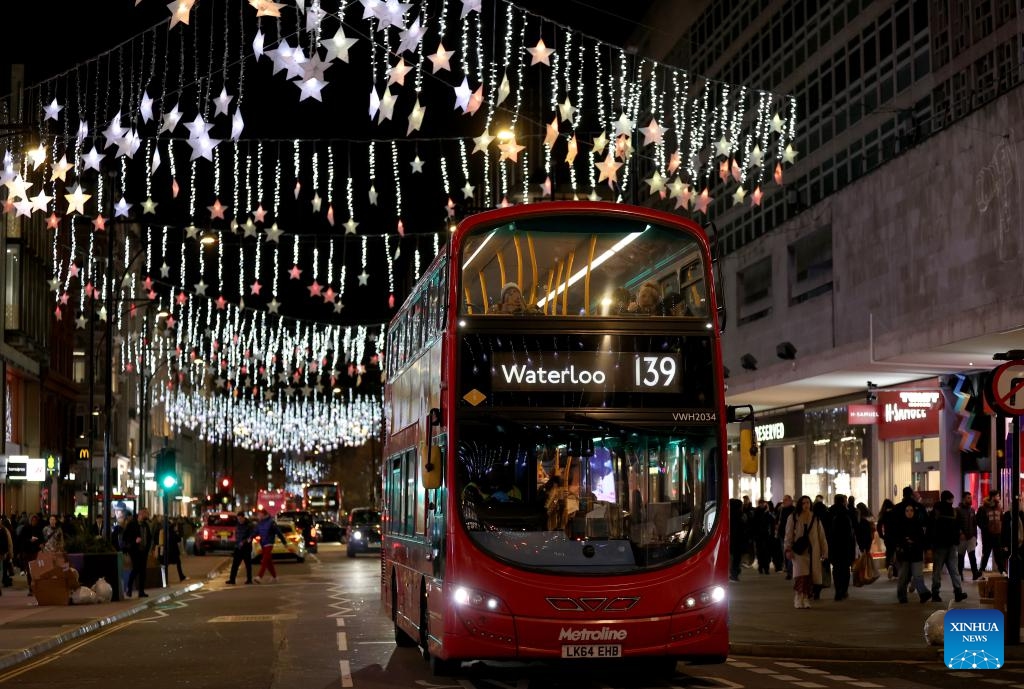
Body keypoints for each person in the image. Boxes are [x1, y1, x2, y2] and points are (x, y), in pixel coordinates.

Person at [784, 495, 828, 609]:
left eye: (808, 503)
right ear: (800, 504)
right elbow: (788, 535)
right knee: (800, 576)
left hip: (813, 551)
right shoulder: (793, 517)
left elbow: (821, 536)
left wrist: (824, 551)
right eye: (803, 503)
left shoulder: (815, 517)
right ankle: (798, 597)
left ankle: (806, 598)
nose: (806, 505)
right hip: (798, 551)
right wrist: (788, 549)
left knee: (809, 576)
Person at [929, 489, 968, 603]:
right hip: (950, 545)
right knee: (953, 569)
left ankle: (935, 593)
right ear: (948, 499)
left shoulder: (936, 512)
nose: (952, 501)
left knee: (937, 570)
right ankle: (958, 592)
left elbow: (931, 528)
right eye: (951, 499)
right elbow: (958, 526)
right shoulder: (953, 512)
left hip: (940, 545)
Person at [893, 500, 932, 604]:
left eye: (911, 510)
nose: (909, 512)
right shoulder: (900, 525)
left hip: (916, 553)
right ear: (904, 512)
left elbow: (923, 538)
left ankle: (923, 594)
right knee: (903, 577)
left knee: (918, 575)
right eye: (907, 511)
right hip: (904, 554)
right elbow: (896, 538)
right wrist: (905, 541)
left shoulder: (917, 524)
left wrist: (914, 540)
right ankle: (902, 596)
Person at [826, 494, 855, 601]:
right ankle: (844, 590)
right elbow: (853, 530)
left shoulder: (829, 512)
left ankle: (838, 591)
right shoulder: (849, 512)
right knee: (845, 569)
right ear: (844, 501)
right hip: (846, 545)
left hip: (833, 545)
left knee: (836, 569)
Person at [123, 508, 154, 598]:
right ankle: (129, 588)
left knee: (143, 571)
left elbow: (149, 538)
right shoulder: (132, 524)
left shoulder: (146, 525)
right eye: (147, 514)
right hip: (135, 551)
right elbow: (125, 537)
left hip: (144, 551)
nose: (148, 516)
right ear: (141, 514)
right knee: (136, 569)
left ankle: (141, 591)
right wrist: (134, 541)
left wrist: (148, 548)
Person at [253, 509, 288, 584]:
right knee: (268, 562)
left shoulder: (271, 522)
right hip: (263, 543)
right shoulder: (260, 523)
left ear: (264, 514)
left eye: (259, 514)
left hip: (269, 543)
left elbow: (278, 532)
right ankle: (274, 577)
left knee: (264, 560)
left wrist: (284, 542)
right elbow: (256, 532)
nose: (258, 516)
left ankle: (259, 576)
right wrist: (250, 537)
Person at [977, 490, 1005, 575]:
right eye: (997, 496)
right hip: (987, 535)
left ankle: (1002, 570)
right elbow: (978, 520)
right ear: (993, 497)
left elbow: (1001, 519)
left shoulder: (999, 507)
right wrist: (985, 529)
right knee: (986, 553)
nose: (998, 498)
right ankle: (981, 571)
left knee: (998, 554)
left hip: (997, 534)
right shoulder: (983, 508)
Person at [956, 492, 981, 581]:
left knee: (972, 555)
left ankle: (975, 573)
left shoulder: (972, 510)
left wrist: (975, 537)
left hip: (971, 537)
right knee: (960, 557)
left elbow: (974, 524)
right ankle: (960, 574)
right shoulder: (958, 510)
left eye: (970, 498)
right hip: (962, 538)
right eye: (968, 498)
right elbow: (956, 524)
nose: (970, 499)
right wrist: (960, 533)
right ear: (963, 499)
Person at [226, 512, 255, 585]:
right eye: (238, 519)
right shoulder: (238, 524)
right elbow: (237, 534)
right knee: (235, 564)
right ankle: (232, 579)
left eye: (240, 519)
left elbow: (251, 536)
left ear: (243, 517)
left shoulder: (249, 525)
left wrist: (244, 542)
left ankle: (249, 579)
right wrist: (236, 544)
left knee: (248, 564)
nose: (239, 520)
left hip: (246, 548)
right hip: (238, 547)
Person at [158, 517, 188, 583]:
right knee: (177, 563)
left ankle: (164, 579)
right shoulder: (172, 532)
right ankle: (180, 576)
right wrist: (177, 532)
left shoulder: (164, 531)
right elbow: (178, 539)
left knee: (165, 565)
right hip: (172, 552)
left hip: (166, 551)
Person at [775, 495, 795, 579]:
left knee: (790, 552)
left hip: (792, 534)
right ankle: (788, 569)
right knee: (785, 552)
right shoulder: (781, 510)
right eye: (784, 500)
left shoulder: (794, 510)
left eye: (786, 500)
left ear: (791, 501)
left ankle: (790, 570)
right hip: (782, 534)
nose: (784, 501)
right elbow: (777, 520)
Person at [876, 498, 897, 578]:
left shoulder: (883, 514)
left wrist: (882, 535)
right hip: (896, 535)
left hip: (888, 536)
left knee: (889, 552)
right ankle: (895, 569)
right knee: (895, 552)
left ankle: (888, 565)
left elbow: (879, 526)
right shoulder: (895, 512)